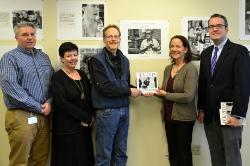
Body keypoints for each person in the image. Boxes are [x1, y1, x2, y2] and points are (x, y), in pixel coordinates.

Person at [197, 14, 250, 166]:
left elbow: (243, 85)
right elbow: (204, 83)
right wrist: (201, 109)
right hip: (210, 115)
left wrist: (238, 114)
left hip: (230, 115)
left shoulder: (239, 51)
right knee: (216, 157)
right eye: (211, 26)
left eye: (219, 26)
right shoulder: (206, 53)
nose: (214, 29)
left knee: (232, 158)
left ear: (226, 29)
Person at [0, 22, 53, 166]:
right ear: (16, 37)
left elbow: (53, 84)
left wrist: (49, 102)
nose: (30, 37)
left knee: (39, 159)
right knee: (20, 161)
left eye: (32, 34)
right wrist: (37, 106)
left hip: (44, 116)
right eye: (25, 35)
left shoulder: (44, 57)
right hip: (21, 115)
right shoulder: (9, 58)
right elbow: (10, 87)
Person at [88, 24, 141, 166]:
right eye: (109, 36)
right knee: (104, 155)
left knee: (121, 153)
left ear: (120, 39)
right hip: (107, 112)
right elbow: (105, 88)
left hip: (124, 110)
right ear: (104, 40)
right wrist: (130, 91)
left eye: (116, 36)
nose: (113, 39)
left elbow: (124, 85)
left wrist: (142, 89)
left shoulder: (124, 60)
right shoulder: (96, 61)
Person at [145, 35, 198, 166]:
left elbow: (188, 97)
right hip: (168, 117)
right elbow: (165, 92)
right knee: (173, 153)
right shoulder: (168, 68)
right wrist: (153, 91)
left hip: (184, 119)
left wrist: (165, 94)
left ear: (185, 49)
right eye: (172, 46)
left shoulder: (190, 69)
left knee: (183, 154)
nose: (174, 49)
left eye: (178, 46)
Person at [51, 42, 94, 166]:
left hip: (84, 127)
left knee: (84, 159)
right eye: (69, 56)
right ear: (62, 58)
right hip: (66, 128)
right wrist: (85, 117)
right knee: (68, 160)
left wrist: (90, 117)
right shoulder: (57, 77)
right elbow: (63, 103)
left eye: (75, 55)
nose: (73, 58)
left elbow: (89, 97)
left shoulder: (82, 74)